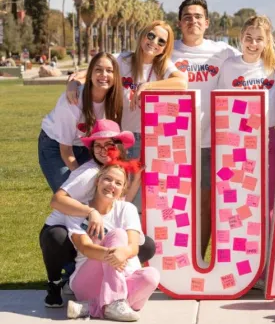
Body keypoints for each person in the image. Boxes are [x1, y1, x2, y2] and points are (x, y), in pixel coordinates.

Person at [66, 21, 186, 210]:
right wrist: (73, 82)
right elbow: (93, 70)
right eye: (151, 35)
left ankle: (137, 235)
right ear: (143, 35)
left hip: (152, 138)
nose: (154, 42)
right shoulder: (123, 60)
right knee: (117, 189)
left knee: (148, 190)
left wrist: (147, 86)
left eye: (161, 41)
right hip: (121, 137)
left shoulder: (163, 66)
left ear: (165, 48)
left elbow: (182, 83)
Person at [41, 120, 155, 308]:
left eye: (108, 145)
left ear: (118, 147)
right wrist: (90, 211)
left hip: (94, 227)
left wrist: (135, 180)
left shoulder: (114, 170)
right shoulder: (90, 172)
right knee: (57, 236)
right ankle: (56, 284)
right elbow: (56, 201)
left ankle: (103, 293)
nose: (102, 150)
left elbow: (121, 203)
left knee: (146, 246)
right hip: (65, 228)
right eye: (97, 146)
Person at [172, 0, 240, 258]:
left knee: (205, 205)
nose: (193, 21)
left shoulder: (222, 52)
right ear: (179, 23)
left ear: (207, 22)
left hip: (210, 141)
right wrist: (79, 76)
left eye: (198, 16)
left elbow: (257, 62)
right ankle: (173, 260)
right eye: (187, 17)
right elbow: (123, 60)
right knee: (173, 205)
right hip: (174, 143)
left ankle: (198, 258)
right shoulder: (168, 49)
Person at [65, 161, 160, 321]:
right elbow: (85, 247)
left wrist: (123, 253)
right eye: (107, 179)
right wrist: (112, 256)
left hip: (125, 275)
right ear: (98, 181)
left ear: (123, 189)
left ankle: (92, 307)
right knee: (117, 234)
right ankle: (115, 302)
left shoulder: (127, 209)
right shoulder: (78, 209)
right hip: (87, 281)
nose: (111, 186)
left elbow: (134, 247)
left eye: (118, 183)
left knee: (151, 276)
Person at [219, 15, 275, 215]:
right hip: (237, 141)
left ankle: (266, 245)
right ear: (241, 37)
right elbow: (221, 104)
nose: (253, 43)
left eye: (259, 39)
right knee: (239, 198)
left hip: (266, 138)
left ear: (266, 41)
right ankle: (241, 244)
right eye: (248, 38)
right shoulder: (230, 66)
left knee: (269, 200)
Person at [39, 52, 123, 193]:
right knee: (71, 193)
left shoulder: (115, 100)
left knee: (94, 191)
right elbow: (65, 149)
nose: (104, 74)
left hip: (85, 145)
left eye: (109, 71)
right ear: (89, 74)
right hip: (56, 145)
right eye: (98, 70)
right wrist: (79, 177)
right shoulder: (73, 101)